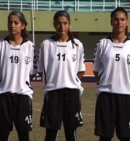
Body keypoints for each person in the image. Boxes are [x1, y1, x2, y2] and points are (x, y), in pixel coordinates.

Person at [93, 7, 130, 141]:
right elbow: (96, 70)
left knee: (126, 137)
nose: (119, 22)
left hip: (127, 96)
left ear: (127, 22)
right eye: (116, 19)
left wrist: (126, 83)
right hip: (106, 95)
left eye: (122, 19)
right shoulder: (102, 44)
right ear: (111, 22)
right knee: (104, 137)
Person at [38, 10, 86, 141]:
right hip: (53, 92)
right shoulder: (46, 44)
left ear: (69, 24)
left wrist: (72, 81)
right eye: (59, 23)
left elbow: (81, 70)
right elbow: (42, 69)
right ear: (54, 25)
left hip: (72, 93)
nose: (62, 27)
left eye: (65, 23)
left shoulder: (77, 45)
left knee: (71, 132)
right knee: (51, 133)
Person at [0, 10, 37, 141]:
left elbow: (32, 72)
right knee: (3, 134)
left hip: (23, 96)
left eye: (16, 22)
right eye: (10, 22)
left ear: (23, 25)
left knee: (24, 134)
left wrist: (20, 82)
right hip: (4, 95)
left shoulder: (30, 47)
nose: (12, 25)